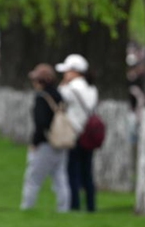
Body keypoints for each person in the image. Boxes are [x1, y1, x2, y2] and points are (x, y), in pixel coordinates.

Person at [20, 64, 70, 212]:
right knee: (60, 179)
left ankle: (27, 208)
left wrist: (35, 143)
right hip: (60, 143)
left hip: (45, 144)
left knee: (33, 179)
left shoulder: (41, 97)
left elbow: (40, 123)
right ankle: (64, 209)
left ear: (40, 81)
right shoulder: (59, 95)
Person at [57, 54, 98, 213]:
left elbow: (59, 97)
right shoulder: (92, 88)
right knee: (87, 172)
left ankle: (74, 205)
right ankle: (90, 205)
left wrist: (64, 83)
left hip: (74, 133)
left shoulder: (71, 89)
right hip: (88, 135)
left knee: (72, 171)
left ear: (75, 71)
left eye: (67, 71)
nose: (65, 74)